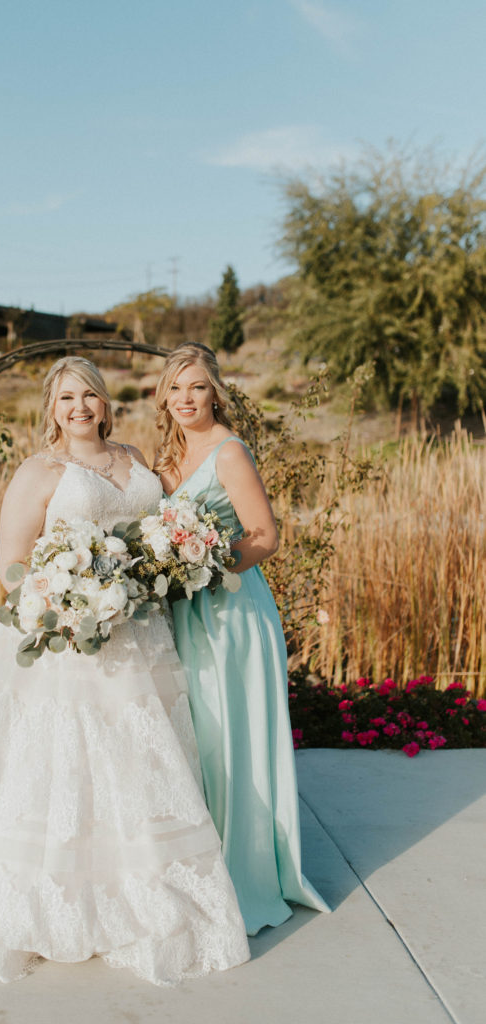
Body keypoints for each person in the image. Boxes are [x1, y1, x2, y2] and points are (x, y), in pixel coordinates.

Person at [0, 356, 250, 986]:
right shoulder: (39, 470)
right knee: (60, 761)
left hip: (140, 633)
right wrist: (64, 601)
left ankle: (140, 887)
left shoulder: (134, 458)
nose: (79, 408)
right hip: (64, 638)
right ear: (52, 409)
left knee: (137, 760)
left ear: (105, 403)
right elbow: (10, 563)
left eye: (89, 396)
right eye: (66, 398)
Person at [154, 342, 329, 935]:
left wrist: (205, 563)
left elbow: (265, 535)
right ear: (163, 395)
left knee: (232, 741)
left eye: (196, 387)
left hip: (230, 614)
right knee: (196, 740)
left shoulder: (229, 452)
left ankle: (244, 874)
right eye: (175, 388)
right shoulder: (168, 459)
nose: (185, 399)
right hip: (184, 614)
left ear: (216, 393)